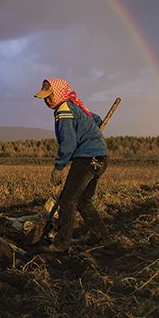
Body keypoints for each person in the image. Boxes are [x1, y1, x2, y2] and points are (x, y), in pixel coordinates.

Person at [33, 78, 116, 254]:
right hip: (100, 158)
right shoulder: (75, 106)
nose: (47, 101)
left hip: (86, 158)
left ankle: (61, 245)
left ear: (59, 93)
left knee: (67, 200)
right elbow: (96, 118)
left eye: (50, 96)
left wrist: (59, 166)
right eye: (44, 98)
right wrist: (92, 132)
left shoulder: (63, 111)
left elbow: (69, 143)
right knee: (83, 201)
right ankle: (105, 240)